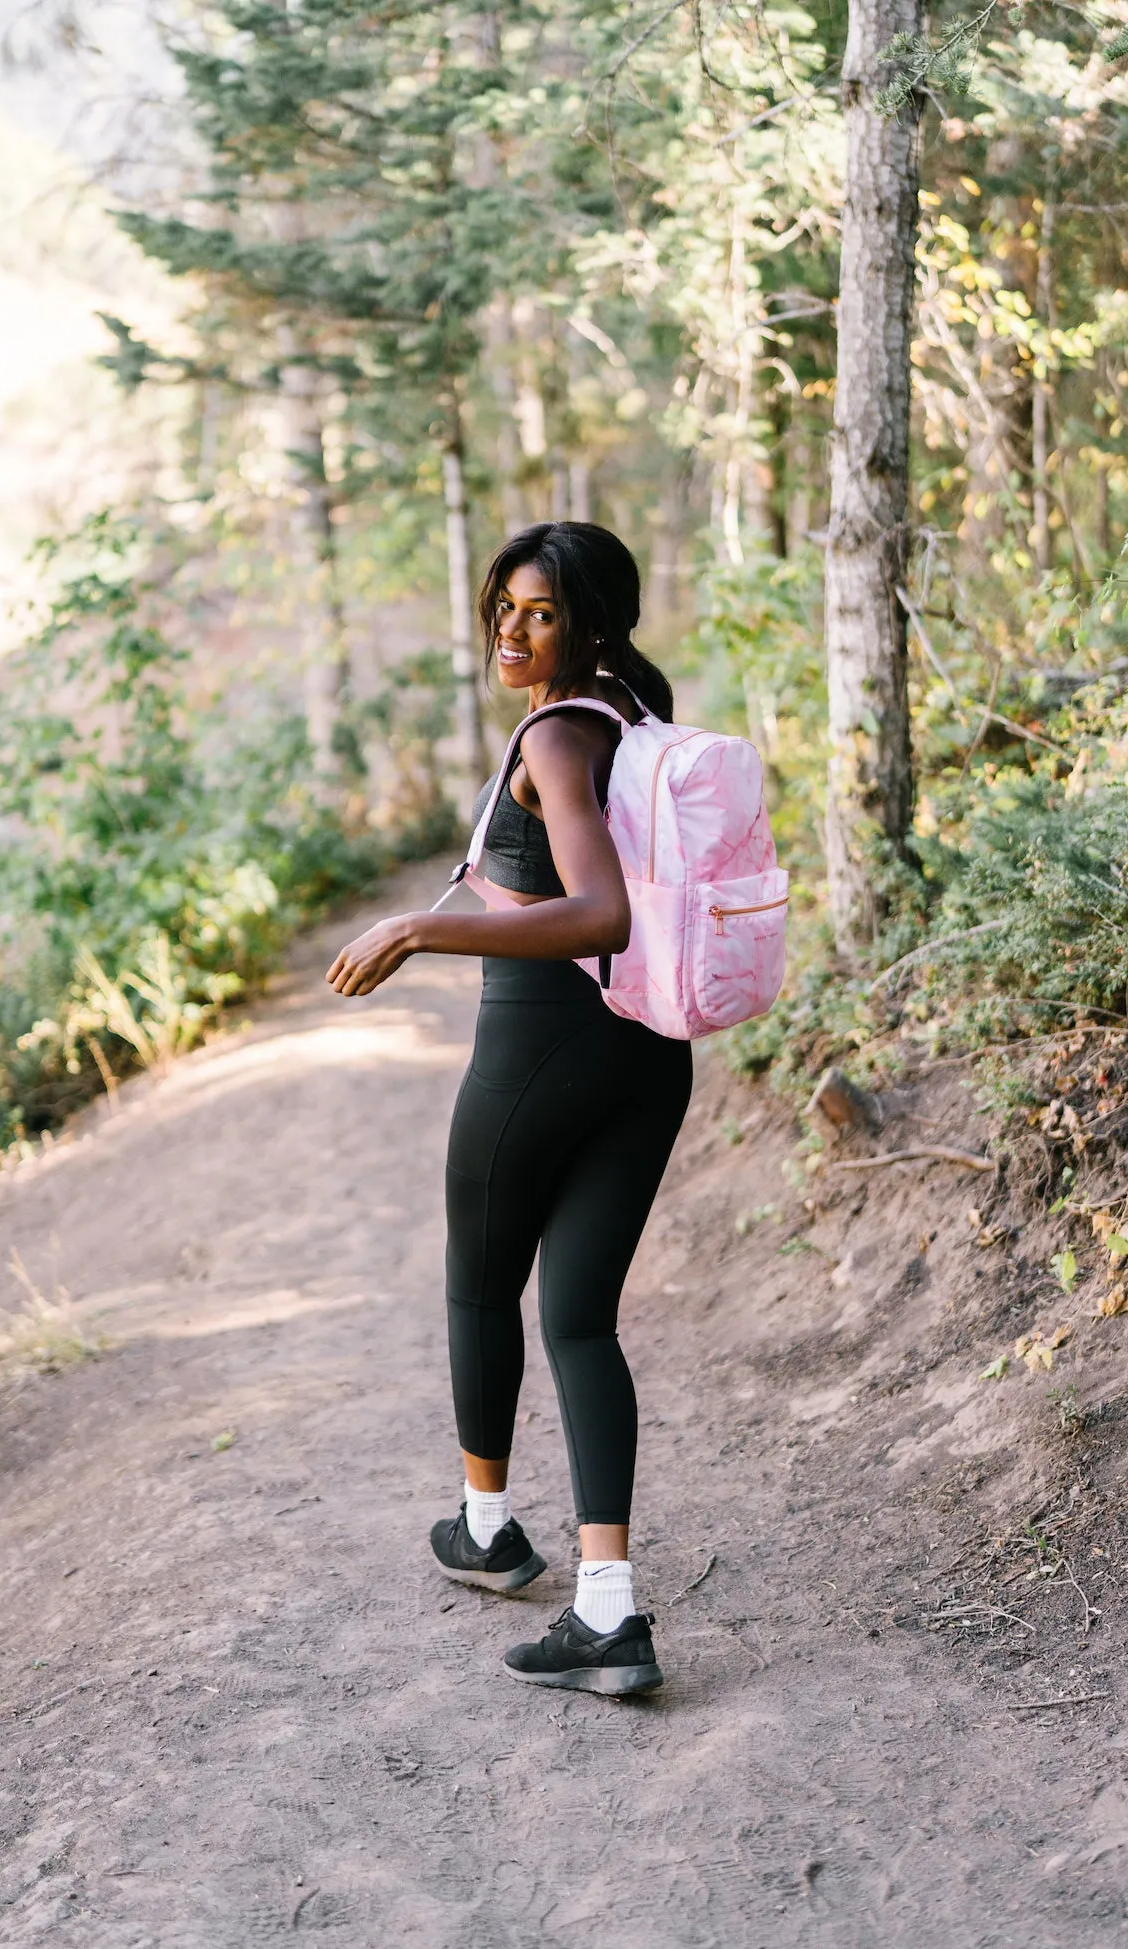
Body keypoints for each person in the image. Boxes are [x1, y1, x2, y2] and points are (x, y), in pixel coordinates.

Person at [327, 522, 693, 1695]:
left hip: (543, 1045)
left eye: (539, 610)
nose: (510, 626)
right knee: (579, 1320)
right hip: (648, 1054)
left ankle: (486, 1530)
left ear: (589, 623)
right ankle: (606, 1613)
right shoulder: (633, 717)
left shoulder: (559, 734)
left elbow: (600, 912)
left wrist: (418, 923)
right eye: (504, 605)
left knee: (480, 1283)